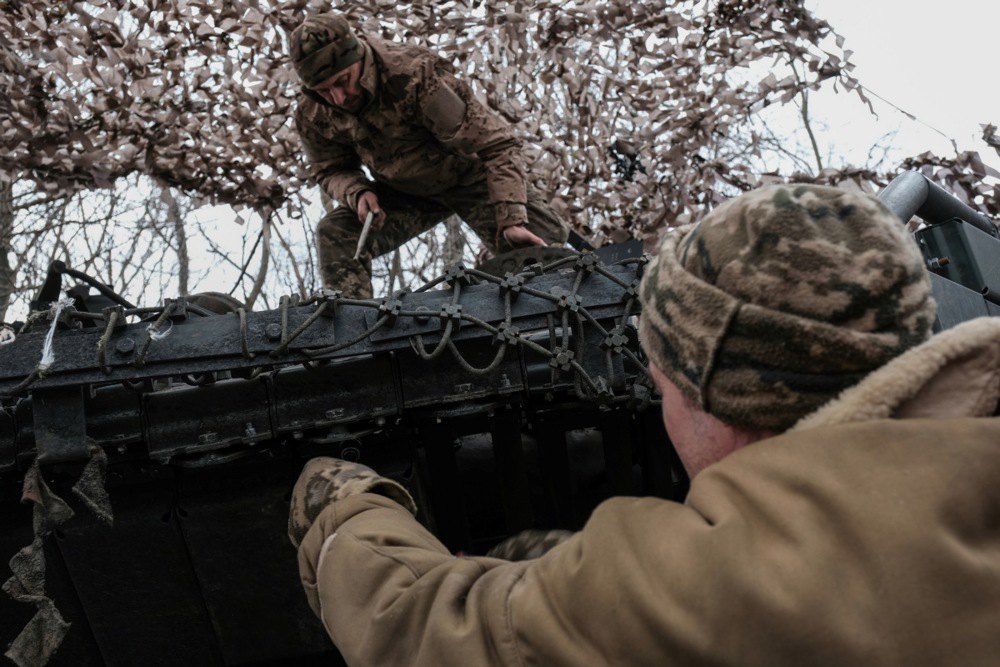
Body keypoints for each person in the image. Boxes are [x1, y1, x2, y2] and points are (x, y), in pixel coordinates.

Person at [287, 184, 1000, 665]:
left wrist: (342, 508)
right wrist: (554, 562)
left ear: (711, 393)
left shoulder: (698, 590)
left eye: (662, 381)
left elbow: (416, 626)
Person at [289, 14, 568, 298]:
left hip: (470, 178)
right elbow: (329, 168)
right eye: (323, 91)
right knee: (336, 232)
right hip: (403, 192)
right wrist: (357, 192)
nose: (338, 98)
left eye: (343, 81)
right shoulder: (312, 113)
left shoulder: (416, 75)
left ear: (359, 56)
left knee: (544, 249)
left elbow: (496, 144)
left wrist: (511, 219)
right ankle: (353, 329)